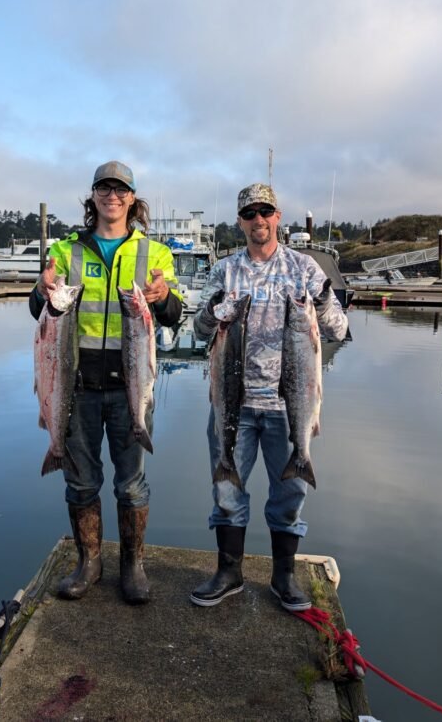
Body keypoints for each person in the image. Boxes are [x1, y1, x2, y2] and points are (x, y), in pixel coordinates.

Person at [189, 183, 349, 611]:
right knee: (227, 491)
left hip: (290, 405)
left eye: (266, 212)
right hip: (232, 404)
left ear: (278, 216)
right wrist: (211, 312)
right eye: (250, 214)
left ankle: (284, 577)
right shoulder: (224, 271)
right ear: (240, 221)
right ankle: (229, 572)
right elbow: (198, 331)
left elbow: (337, 329)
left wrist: (319, 300)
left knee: (290, 492)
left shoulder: (305, 268)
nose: (258, 220)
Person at [30, 161, 183, 605]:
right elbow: (39, 306)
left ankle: (132, 567)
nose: (112, 195)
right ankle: (88, 562)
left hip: (131, 385)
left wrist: (163, 296)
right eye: (104, 187)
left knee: (131, 483)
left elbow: (174, 315)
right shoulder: (65, 250)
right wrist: (41, 291)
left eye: (121, 189)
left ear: (133, 199)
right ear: (92, 196)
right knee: (80, 483)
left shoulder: (154, 254)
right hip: (73, 386)